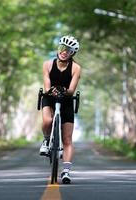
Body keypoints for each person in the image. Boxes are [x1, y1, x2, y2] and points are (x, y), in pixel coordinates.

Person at [39, 35, 81, 184]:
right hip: (49, 97)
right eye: (62, 48)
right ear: (59, 48)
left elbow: (71, 90)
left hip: (67, 100)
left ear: (72, 54)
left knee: (67, 139)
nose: (64, 52)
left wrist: (64, 90)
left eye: (68, 51)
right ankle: (46, 140)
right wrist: (51, 90)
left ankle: (66, 171)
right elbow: (47, 85)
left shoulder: (76, 68)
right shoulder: (47, 64)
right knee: (47, 120)